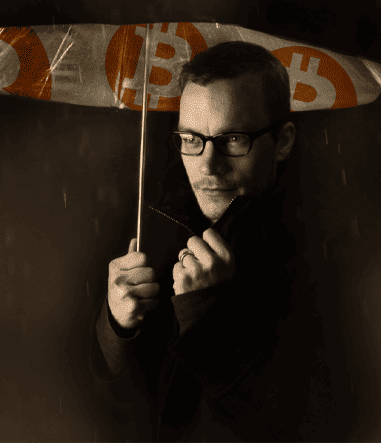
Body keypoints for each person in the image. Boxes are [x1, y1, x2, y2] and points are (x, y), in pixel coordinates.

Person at [89, 41, 340, 441]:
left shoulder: (322, 254)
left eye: (233, 139)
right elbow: (112, 403)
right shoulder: (157, 225)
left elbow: (306, 425)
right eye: (191, 139)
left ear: (284, 141)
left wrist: (205, 316)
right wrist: (117, 326)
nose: (208, 165)